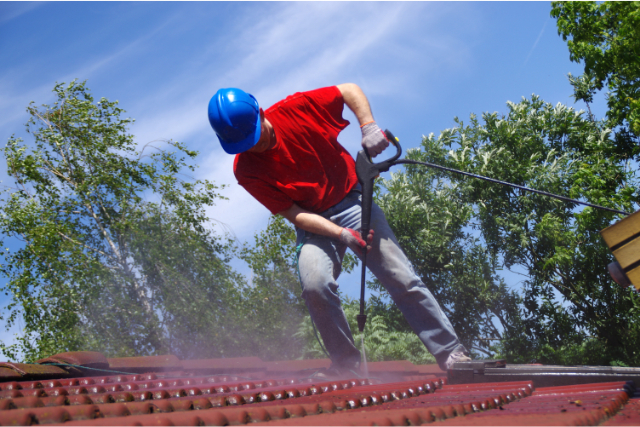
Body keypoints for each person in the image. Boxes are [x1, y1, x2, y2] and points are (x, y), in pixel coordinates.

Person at [207, 84, 471, 375]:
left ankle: (451, 353)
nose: (252, 146)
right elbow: (294, 214)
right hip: (313, 223)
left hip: (352, 201)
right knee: (315, 284)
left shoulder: (296, 109)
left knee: (400, 276)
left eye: (253, 137)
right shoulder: (245, 170)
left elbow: (348, 90)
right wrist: (340, 234)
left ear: (260, 112)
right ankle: (347, 365)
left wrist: (368, 127)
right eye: (243, 143)